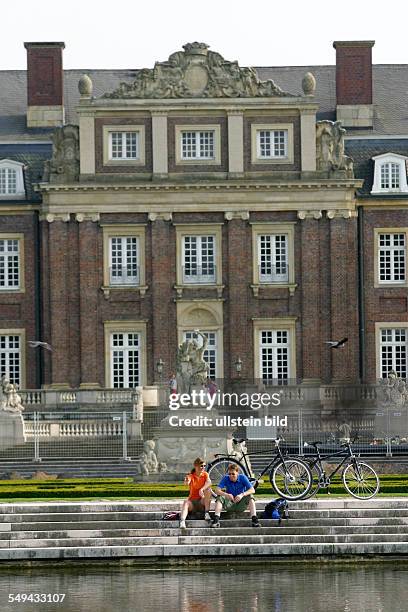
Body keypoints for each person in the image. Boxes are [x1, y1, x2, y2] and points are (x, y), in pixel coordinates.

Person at [211, 463, 260, 528]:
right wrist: (226, 494)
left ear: (237, 473)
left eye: (233, 474)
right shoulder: (226, 478)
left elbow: (252, 490)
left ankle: (254, 520)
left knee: (250, 496)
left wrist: (242, 495)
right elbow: (217, 490)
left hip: (241, 504)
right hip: (229, 504)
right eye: (229, 474)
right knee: (219, 497)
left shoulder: (243, 477)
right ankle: (216, 520)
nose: (231, 475)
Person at [180, 457, 212, 529]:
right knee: (186, 502)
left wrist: (201, 489)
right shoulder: (191, 476)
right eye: (201, 466)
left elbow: (209, 482)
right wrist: (186, 481)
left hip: (202, 502)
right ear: (196, 466)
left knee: (208, 490)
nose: (203, 467)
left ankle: (207, 513)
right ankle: (182, 521)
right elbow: (187, 482)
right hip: (192, 503)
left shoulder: (205, 474)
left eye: (204, 466)